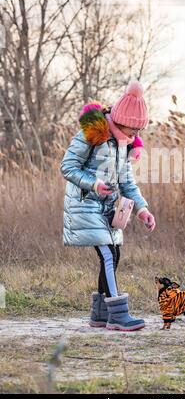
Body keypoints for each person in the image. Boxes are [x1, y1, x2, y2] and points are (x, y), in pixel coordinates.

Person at [60, 81, 156, 331]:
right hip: (84, 205)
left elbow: (126, 182)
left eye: (139, 129)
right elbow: (67, 167)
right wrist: (94, 184)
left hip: (108, 209)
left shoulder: (123, 144)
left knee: (115, 254)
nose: (136, 135)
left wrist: (142, 209)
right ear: (120, 120)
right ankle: (118, 314)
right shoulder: (91, 135)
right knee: (107, 254)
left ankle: (100, 314)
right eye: (132, 128)